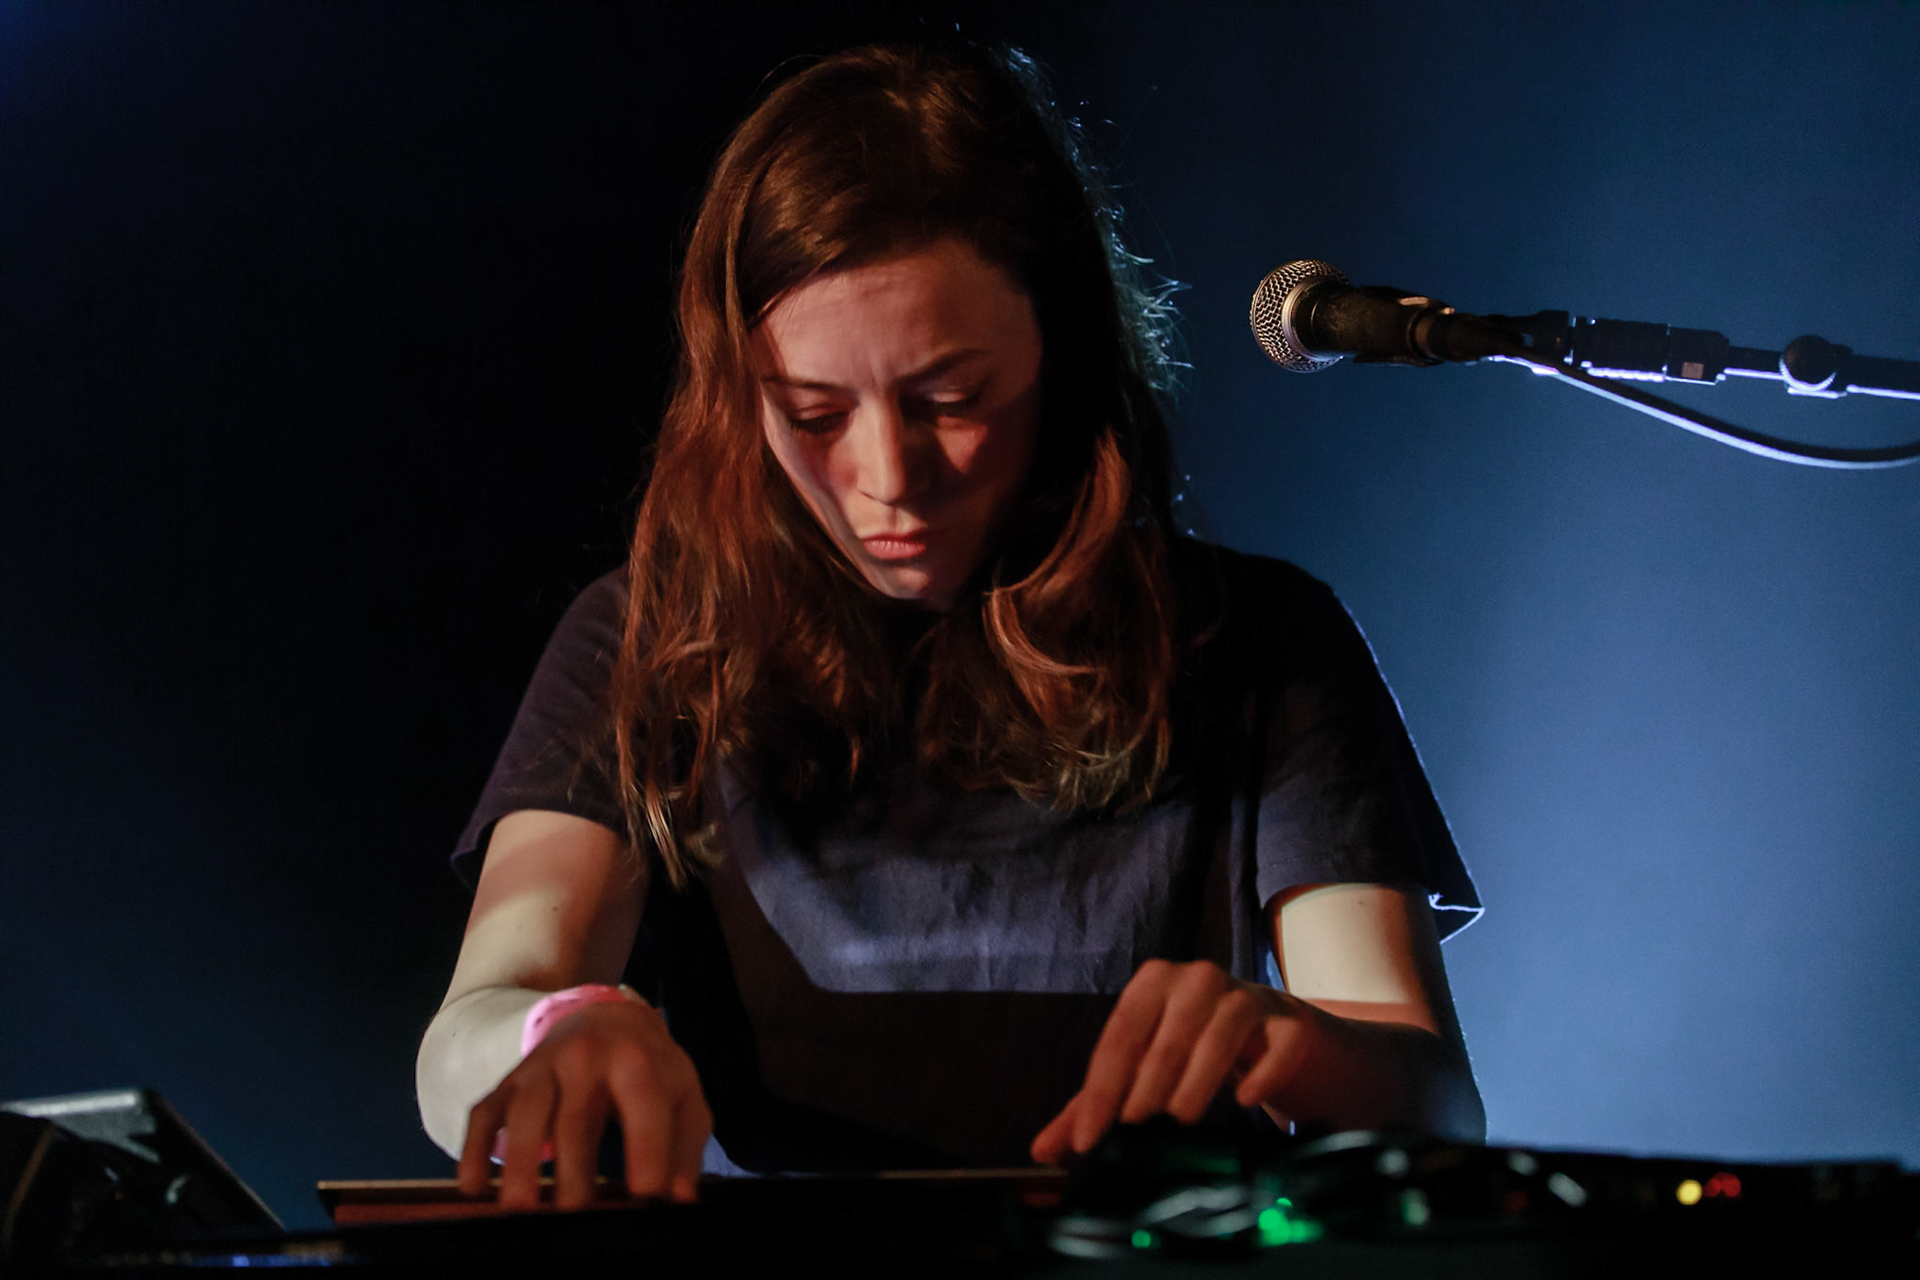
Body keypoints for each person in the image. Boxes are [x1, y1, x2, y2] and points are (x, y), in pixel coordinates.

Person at [415, 41, 1484, 1212]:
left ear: (1059, 354)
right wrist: (556, 1029)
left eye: (949, 401)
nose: (888, 478)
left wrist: (1287, 1042)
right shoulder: (653, 637)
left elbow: (1433, 1102)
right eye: (813, 414)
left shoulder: (1265, 641)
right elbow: (470, 1024)